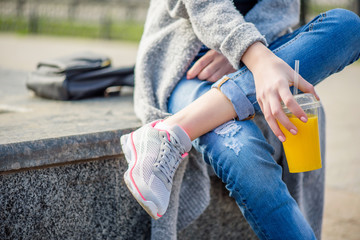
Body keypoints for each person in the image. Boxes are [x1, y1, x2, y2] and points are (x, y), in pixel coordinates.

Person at [120, 0, 360, 239]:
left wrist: (246, 53)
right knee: (243, 153)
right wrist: (249, 51)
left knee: (348, 27)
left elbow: (281, 11)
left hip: (263, 50)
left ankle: (173, 130)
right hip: (189, 66)